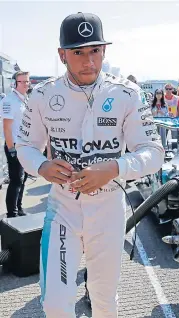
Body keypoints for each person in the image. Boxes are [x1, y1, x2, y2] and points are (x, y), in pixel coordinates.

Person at [15, 12, 164, 317]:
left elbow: (153, 152)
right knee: (55, 304)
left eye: (95, 50)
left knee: (104, 301)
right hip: (62, 209)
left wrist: (115, 168)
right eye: (78, 52)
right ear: (62, 55)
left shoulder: (128, 94)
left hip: (109, 210)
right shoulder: (43, 95)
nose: (89, 61)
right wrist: (42, 166)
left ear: (105, 51)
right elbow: (25, 147)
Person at [0, 71, 30, 218]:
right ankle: (12, 213)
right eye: (22, 82)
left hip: (25, 146)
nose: (26, 84)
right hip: (15, 146)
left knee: (23, 179)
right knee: (16, 180)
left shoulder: (25, 99)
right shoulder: (9, 101)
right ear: (14, 84)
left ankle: (19, 208)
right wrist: (11, 149)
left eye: (27, 81)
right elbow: (7, 127)